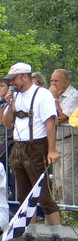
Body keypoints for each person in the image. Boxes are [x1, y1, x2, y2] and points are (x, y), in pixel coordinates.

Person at [2, 62, 64, 241]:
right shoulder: (17, 96)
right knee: (24, 197)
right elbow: (7, 124)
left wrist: (51, 150)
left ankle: (57, 239)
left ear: (25, 77)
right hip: (19, 148)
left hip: (37, 147)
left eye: (14, 78)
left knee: (44, 196)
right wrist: (9, 105)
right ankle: (31, 239)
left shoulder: (42, 95)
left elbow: (50, 124)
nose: (11, 82)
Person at [49, 69, 78, 206]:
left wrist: (55, 100)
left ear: (67, 81)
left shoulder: (74, 95)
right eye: (52, 80)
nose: (53, 84)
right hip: (55, 141)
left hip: (69, 140)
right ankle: (61, 206)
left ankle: (72, 208)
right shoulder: (50, 95)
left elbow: (61, 118)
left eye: (57, 80)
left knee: (67, 176)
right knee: (58, 177)